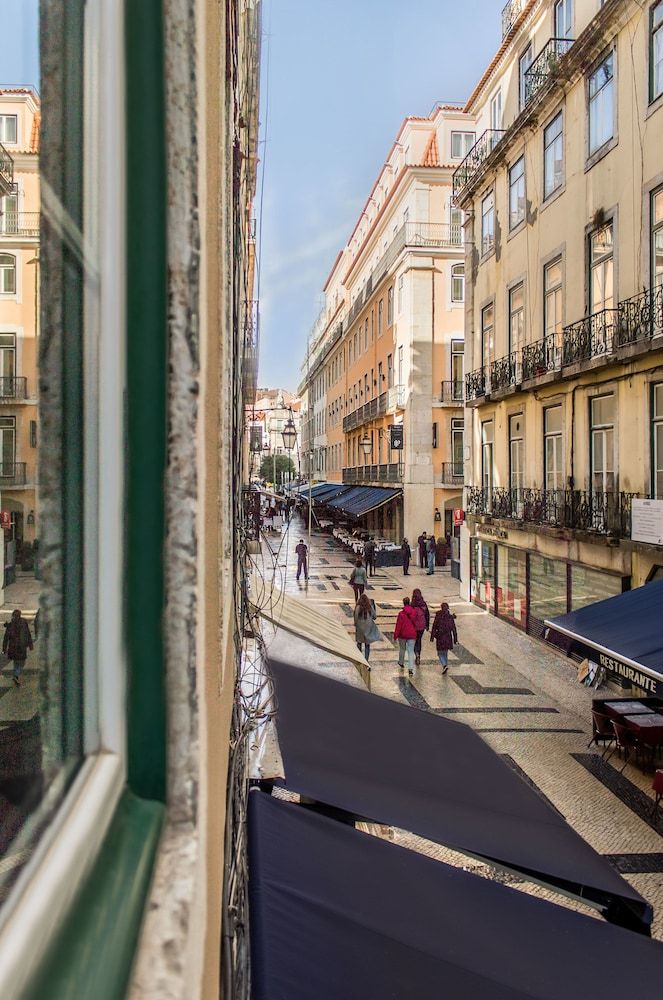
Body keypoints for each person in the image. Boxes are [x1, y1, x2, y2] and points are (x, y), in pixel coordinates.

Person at [3, 609, 34, 687]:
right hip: (21, 647)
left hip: (12, 648)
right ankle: (16, 675)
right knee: (22, 663)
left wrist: (4, 649)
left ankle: (15, 676)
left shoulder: (10, 625)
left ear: (13, 616)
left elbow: (6, 638)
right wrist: (30, 645)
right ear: (20, 615)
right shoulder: (23, 623)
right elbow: (28, 634)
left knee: (16, 662)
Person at [430, 601, 458, 674]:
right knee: (445, 652)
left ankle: (444, 665)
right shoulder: (450, 617)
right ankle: (445, 665)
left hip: (440, 637)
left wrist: (432, 637)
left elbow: (434, 626)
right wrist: (455, 639)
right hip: (448, 637)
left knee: (439, 653)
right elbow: (454, 629)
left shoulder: (438, 616)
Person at [393, 597, 418, 676]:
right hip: (412, 634)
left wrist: (395, 635)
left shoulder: (401, 614)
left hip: (402, 634)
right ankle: (410, 668)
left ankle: (401, 662)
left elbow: (398, 625)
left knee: (402, 649)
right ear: (409, 602)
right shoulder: (414, 612)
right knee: (411, 651)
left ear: (403, 603)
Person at [353, 593, 381, 664]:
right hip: (368, 628)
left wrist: (356, 624)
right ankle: (366, 660)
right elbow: (374, 617)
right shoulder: (369, 607)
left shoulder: (358, 607)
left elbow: (356, 618)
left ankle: (360, 658)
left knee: (359, 643)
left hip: (360, 628)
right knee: (367, 645)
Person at [410, 588, 430, 666]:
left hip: (414, 626)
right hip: (422, 625)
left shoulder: (412, 604)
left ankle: (416, 654)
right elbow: (427, 615)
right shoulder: (423, 604)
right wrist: (427, 625)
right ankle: (419, 654)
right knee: (419, 640)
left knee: (414, 640)